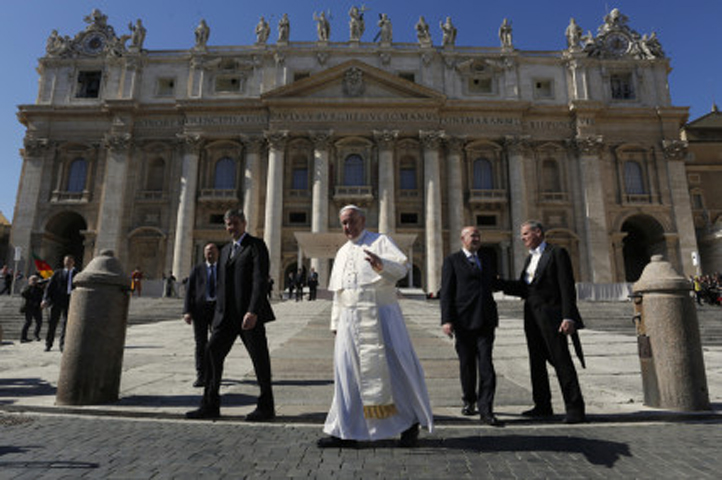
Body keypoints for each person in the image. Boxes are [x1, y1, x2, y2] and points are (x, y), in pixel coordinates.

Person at [318, 205, 433, 448]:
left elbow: (402, 268)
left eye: (352, 221)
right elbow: (339, 292)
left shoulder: (381, 241)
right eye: (344, 223)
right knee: (346, 372)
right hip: (349, 321)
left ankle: (408, 423)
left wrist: (382, 265)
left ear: (363, 220)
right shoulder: (341, 252)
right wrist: (335, 322)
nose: (348, 227)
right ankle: (344, 431)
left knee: (394, 370)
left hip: (381, 316)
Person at [186, 209, 275, 421]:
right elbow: (221, 286)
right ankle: (210, 404)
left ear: (244, 223)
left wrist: (253, 310)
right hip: (226, 317)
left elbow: (259, 280)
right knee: (211, 353)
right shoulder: (224, 251)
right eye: (228, 224)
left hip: (248, 316)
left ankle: (266, 406)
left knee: (260, 360)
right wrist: (217, 316)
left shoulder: (256, 245)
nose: (231, 227)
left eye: (235, 223)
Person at [501, 221, 586, 424]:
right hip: (532, 317)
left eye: (525, 234)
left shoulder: (556, 253)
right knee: (536, 362)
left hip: (553, 317)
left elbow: (566, 286)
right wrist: (497, 283)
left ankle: (575, 408)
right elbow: (524, 288)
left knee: (561, 361)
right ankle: (542, 405)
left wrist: (568, 316)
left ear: (538, 232)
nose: (522, 238)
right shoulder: (530, 258)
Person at [440, 226, 503, 426]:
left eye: (478, 235)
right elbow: (447, 293)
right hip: (463, 321)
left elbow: (494, 283)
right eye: (472, 236)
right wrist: (446, 320)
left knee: (486, 365)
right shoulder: (452, 261)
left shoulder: (486, 258)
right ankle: (469, 400)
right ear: (462, 239)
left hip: (485, 319)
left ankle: (486, 410)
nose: (476, 238)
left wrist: (527, 286)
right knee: (467, 365)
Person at [183, 243, 219, 388]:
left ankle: (215, 374)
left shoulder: (223, 269)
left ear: (218, 253)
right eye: (208, 252)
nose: (210, 254)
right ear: (204, 254)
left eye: (213, 251)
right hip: (200, 310)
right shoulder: (197, 269)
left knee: (217, 343)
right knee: (200, 344)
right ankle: (201, 375)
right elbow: (189, 291)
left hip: (217, 310)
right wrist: (186, 311)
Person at [41, 255, 77, 352]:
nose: (67, 262)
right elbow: (50, 287)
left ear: (73, 262)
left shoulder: (77, 274)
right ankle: (48, 344)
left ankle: (63, 344)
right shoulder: (57, 273)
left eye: (69, 261)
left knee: (66, 324)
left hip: (70, 301)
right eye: (66, 261)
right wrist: (45, 299)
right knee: (53, 323)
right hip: (57, 300)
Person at [21, 275, 44, 343]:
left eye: (36, 280)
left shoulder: (39, 289)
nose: (34, 281)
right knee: (28, 322)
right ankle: (23, 337)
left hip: (37, 308)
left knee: (39, 322)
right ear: (30, 281)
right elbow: (23, 293)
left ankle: (36, 335)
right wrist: (30, 286)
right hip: (29, 307)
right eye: (33, 280)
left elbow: (42, 295)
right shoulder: (27, 288)